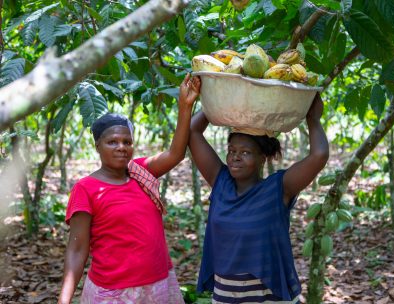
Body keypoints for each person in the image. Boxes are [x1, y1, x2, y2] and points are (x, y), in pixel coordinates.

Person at [58, 74, 201, 304]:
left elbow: (176, 154)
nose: (121, 147)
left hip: (157, 285)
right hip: (112, 292)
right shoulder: (86, 189)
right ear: (98, 147)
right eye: (112, 142)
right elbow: (77, 249)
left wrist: (185, 105)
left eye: (127, 142)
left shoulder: (140, 172)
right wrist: (63, 300)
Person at [188, 93, 329, 303]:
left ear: (262, 158)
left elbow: (319, 155)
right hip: (227, 294)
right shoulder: (221, 182)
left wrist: (312, 118)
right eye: (232, 150)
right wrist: (214, 98)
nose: (235, 157)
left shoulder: (277, 189)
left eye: (245, 152)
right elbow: (192, 131)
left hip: (268, 296)